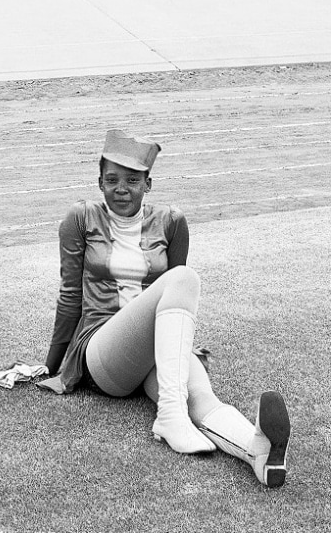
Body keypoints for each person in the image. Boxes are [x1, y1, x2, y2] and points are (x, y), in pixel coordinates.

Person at [38, 130, 291, 488]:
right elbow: (69, 295)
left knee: (202, 398)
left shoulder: (171, 221)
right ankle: (170, 415)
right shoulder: (81, 218)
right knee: (184, 277)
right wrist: (53, 365)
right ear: (99, 183)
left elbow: (174, 305)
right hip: (103, 350)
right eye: (111, 180)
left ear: (148, 184)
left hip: (155, 347)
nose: (121, 189)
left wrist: (181, 346)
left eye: (132, 180)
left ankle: (258, 453)